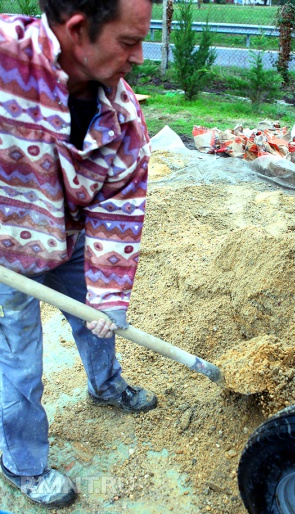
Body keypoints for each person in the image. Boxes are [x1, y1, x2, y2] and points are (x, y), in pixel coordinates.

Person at [0, 0, 154, 508]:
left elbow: (119, 209)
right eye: (128, 42)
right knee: (18, 365)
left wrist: (110, 294)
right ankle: (22, 464)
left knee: (96, 320)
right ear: (77, 30)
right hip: (4, 257)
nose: (138, 56)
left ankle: (105, 384)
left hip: (69, 239)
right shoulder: (6, 64)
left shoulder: (123, 121)